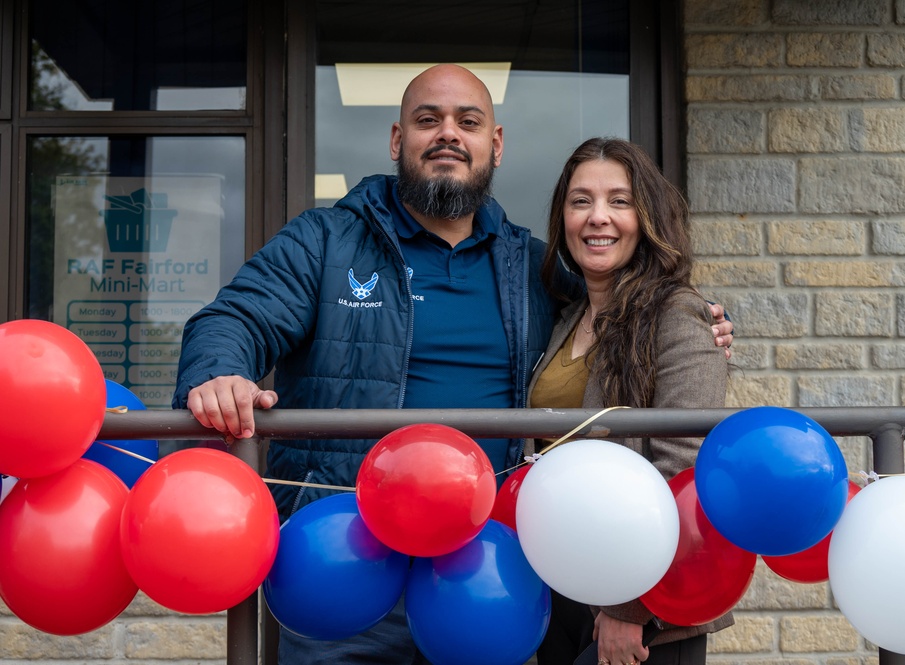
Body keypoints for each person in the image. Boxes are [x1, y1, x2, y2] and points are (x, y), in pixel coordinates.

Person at [172, 64, 733, 664]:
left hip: (488, 569)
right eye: (427, 120)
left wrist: (700, 324)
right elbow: (232, 319)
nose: (448, 134)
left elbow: (624, 292)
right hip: (347, 560)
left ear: (494, 145)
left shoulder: (534, 267)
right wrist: (218, 370)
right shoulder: (325, 241)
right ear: (396, 140)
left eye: (468, 121)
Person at [527, 137, 731, 665]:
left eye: (619, 201)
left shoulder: (678, 313)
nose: (598, 218)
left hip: (641, 599)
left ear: (647, 217)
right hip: (564, 579)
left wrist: (631, 605)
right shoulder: (567, 318)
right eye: (580, 201)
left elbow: (682, 469)